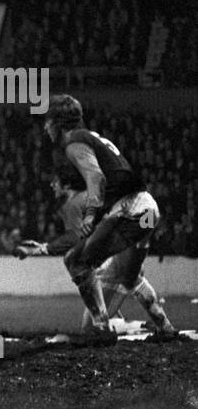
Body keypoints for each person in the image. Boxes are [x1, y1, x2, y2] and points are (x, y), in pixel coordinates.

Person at [41, 95, 177, 342]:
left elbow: (97, 179)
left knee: (75, 260)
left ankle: (102, 330)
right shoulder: (90, 137)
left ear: (58, 123)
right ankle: (164, 328)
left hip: (129, 211)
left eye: (48, 121)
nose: (45, 127)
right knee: (128, 275)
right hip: (146, 209)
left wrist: (91, 216)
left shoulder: (73, 143)